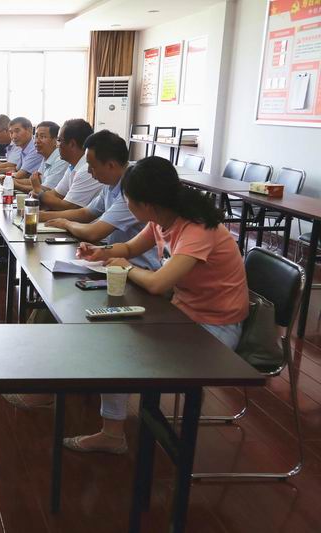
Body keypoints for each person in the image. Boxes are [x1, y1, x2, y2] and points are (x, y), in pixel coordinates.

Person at [64, 156, 249, 454]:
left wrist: (125, 267)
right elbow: (130, 247)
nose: (128, 206)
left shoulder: (196, 229)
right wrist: (102, 252)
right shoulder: (161, 219)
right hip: (182, 311)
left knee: (118, 349)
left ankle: (113, 434)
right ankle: (114, 429)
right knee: (112, 338)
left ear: (147, 204)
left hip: (215, 327)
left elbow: (157, 283)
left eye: (129, 201)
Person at [40, 130, 160, 270]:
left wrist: (66, 223)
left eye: (92, 166)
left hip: (139, 268)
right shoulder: (111, 184)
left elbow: (94, 232)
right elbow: (86, 213)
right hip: (117, 262)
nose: (89, 171)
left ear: (110, 165)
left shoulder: (132, 190)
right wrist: (43, 216)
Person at [38, 118, 101, 211]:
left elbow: (67, 207)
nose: (57, 145)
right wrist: (39, 195)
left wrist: (38, 193)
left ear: (72, 144)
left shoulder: (86, 170)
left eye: (59, 140)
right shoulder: (72, 166)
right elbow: (56, 193)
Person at [13, 121, 68, 193]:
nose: (37, 141)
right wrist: (12, 180)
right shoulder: (46, 156)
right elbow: (36, 182)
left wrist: (16, 185)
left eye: (42, 137)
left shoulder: (61, 159)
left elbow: (46, 190)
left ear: (55, 141)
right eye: (36, 136)